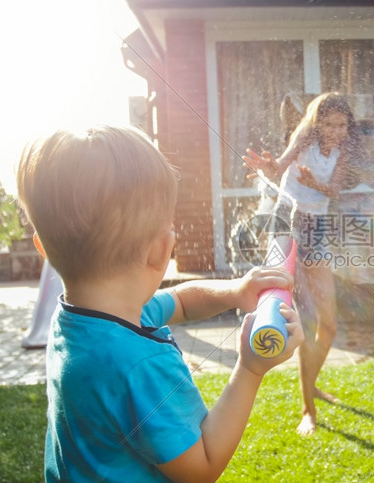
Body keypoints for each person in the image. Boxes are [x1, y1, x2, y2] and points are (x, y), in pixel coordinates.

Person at [16, 125, 303, 482]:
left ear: (43, 248)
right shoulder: (138, 363)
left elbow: (181, 301)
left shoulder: (77, 320)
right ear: (162, 250)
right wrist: (250, 368)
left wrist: (235, 290)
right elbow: (202, 465)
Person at [242, 92, 362, 435]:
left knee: (330, 326)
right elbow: (279, 166)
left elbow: (335, 190)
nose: (336, 131)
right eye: (329, 123)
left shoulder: (342, 151)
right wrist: (268, 167)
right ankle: (308, 409)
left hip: (318, 228)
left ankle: (312, 381)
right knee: (304, 322)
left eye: (342, 124)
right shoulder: (303, 138)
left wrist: (316, 184)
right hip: (288, 223)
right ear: (316, 121)